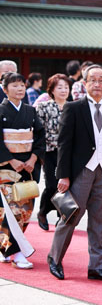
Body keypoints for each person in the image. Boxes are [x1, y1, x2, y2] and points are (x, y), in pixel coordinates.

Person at [47, 65, 102, 281]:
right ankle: (55, 259)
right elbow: (63, 143)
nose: (97, 84)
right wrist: (63, 175)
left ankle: (97, 266)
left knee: (99, 221)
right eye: (93, 80)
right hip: (80, 172)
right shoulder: (74, 108)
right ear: (85, 84)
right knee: (70, 216)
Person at [0, 73, 46, 269]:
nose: (19, 89)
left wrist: (33, 158)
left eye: (21, 85)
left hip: (27, 167)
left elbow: (40, 137)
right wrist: (11, 159)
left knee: (26, 210)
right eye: (14, 85)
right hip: (6, 168)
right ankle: (17, 253)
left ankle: (5, 248)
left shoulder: (30, 111)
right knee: (11, 211)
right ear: (5, 89)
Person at [35, 74, 71, 231]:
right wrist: (39, 154)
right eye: (60, 87)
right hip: (50, 151)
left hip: (69, 153)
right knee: (51, 184)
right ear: (51, 90)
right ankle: (43, 212)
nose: (64, 90)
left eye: (66, 87)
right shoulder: (43, 107)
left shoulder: (74, 107)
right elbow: (38, 131)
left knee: (66, 186)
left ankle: (61, 217)